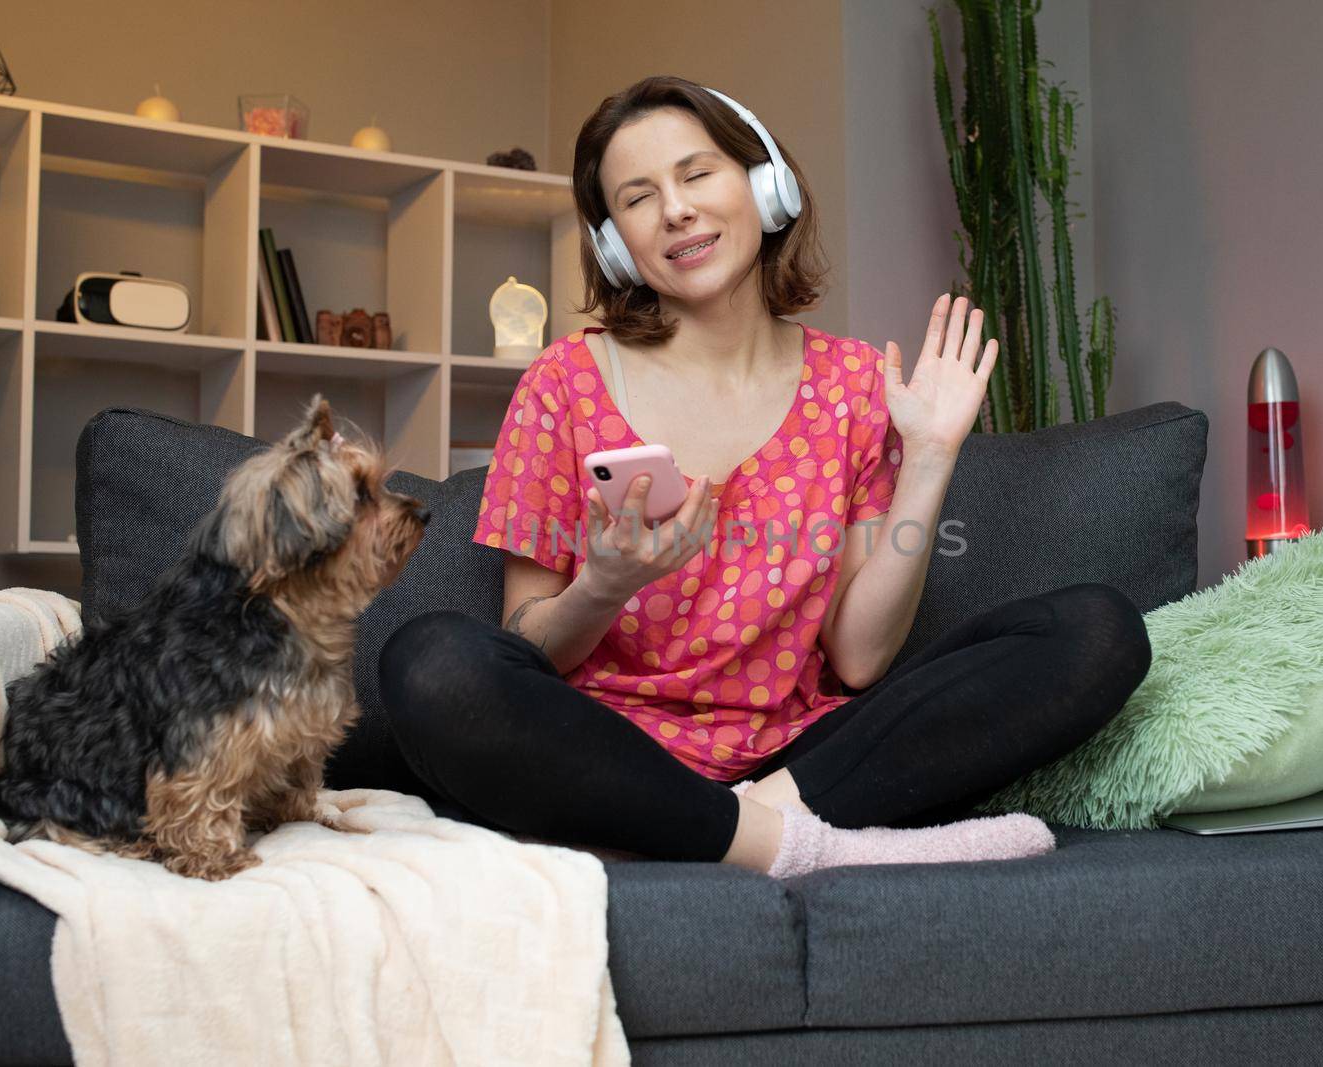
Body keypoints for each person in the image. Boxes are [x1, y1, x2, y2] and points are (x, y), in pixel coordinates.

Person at [378, 76, 1152, 879]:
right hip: (608, 752)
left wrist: (928, 457)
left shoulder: (854, 384)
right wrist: (603, 584)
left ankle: (733, 826)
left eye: (697, 173)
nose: (675, 209)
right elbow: (527, 643)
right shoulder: (563, 381)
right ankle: (788, 845)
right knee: (429, 663)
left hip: (800, 757)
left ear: (765, 184)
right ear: (617, 245)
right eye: (639, 198)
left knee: (1099, 629)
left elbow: (857, 659)